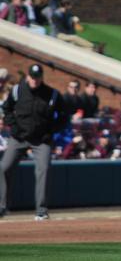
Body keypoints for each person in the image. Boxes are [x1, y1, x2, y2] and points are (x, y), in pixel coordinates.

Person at [0, 64, 67, 220]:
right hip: (19, 137)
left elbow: (64, 116)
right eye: (32, 77)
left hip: (41, 139)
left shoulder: (52, 94)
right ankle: (2, 206)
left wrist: (51, 131)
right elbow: (7, 108)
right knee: (4, 168)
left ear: (41, 77)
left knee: (43, 169)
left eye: (37, 77)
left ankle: (41, 210)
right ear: (28, 76)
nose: (35, 80)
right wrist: (14, 127)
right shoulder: (17, 90)